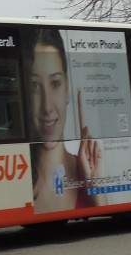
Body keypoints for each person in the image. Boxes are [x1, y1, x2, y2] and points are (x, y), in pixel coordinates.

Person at [25, 28, 105, 212]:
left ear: (67, 87)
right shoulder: (20, 182)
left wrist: (93, 185)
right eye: (35, 86)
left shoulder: (88, 169)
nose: (47, 107)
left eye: (55, 84)